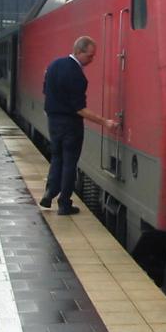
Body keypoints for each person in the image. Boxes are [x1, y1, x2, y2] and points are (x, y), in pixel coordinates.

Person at [41, 36, 117, 215]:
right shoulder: (77, 76)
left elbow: (46, 91)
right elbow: (80, 109)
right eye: (90, 56)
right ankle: (64, 203)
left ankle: (49, 192)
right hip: (70, 125)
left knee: (57, 157)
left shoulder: (53, 65)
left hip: (53, 121)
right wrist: (105, 122)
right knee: (69, 163)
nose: (92, 60)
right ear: (78, 51)